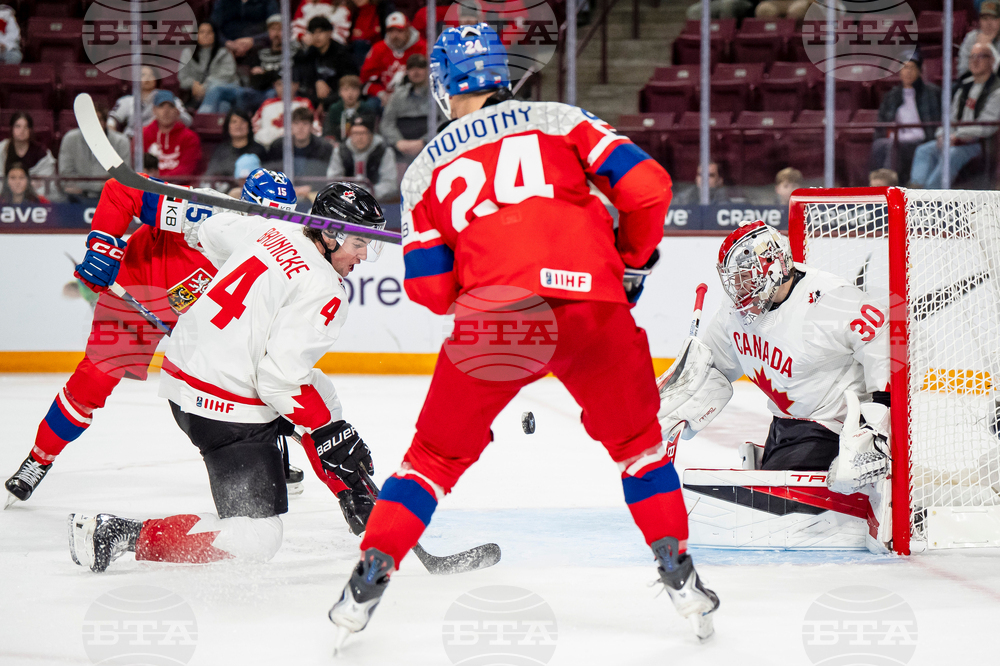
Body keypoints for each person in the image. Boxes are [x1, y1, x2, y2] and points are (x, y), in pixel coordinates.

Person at [327, 24, 719, 646]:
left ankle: (369, 575)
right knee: (640, 448)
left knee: (431, 462)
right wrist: (632, 262)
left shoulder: (424, 170)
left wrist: (485, 276)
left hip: (496, 319)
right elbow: (648, 188)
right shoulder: (560, 118)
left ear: (445, 85)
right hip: (592, 307)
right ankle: (678, 569)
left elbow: (430, 291)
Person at [67, 182, 388, 572]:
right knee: (258, 537)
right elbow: (277, 380)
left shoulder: (274, 228)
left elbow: (210, 231)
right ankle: (118, 533)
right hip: (224, 410)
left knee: (320, 391)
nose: (364, 254)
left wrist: (325, 428)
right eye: (359, 242)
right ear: (331, 235)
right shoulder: (326, 291)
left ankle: (353, 496)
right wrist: (327, 432)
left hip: (184, 376)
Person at [3, 170, 288, 508]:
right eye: (265, 218)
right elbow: (121, 188)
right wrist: (103, 247)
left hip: (196, 320)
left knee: (251, 381)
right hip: (136, 295)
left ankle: (268, 457)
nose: (271, 230)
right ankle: (39, 458)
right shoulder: (201, 210)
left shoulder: (282, 252)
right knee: (94, 380)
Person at [657, 221, 891, 548]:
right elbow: (713, 366)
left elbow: (886, 343)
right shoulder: (735, 311)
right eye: (734, 280)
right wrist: (672, 402)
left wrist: (877, 429)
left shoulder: (830, 300)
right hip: (783, 426)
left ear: (773, 266)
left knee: (763, 522)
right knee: (762, 507)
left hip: (832, 428)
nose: (738, 290)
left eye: (746, 277)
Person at [909, 42, 1000, 188]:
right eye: (972, 57)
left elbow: (987, 126)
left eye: (981, 56)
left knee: (951, 154)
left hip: (979, 144)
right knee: (924, 150)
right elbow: (950, 118)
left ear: (992, 61)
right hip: (953, 140)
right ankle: (915, 190)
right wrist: (942, 135)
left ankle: (931, 194)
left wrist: (956, 137)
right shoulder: (963, 88)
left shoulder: (997, 90)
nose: (975, 61)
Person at [870, 54, 940, 185]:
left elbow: (937, 119)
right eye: (904, 68)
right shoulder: (892, 95)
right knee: (879, 144)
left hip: (921, 139)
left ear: (919, 71)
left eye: (912, 68)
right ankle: (877, 183)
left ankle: (887, 185)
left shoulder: (931, 93)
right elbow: (881, 122)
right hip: (897, 138)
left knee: (893, 147)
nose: (908, 71)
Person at [59, 106, 131, 199]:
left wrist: (83, 186)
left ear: (105, 122)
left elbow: (122, 179)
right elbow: (66, 177)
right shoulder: (70, 139)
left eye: (97, 120)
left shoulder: (121, 142)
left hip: (110, 197)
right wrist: (99, 186)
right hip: (75, 198)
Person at [359, 11, 427, 106]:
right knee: (370, 105)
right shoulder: (378, 49)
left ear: (408, 30)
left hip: (415, 95)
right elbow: (366, 79)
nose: (395, 35)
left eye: (399, 31)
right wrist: (382, 94)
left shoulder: (422, 48)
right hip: (385, 97)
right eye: (391, 31)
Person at [325, 113, 397, 201]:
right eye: (355, 133)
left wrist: (365, 195)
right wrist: (347, 195)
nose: (359, 138)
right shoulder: (340, 151)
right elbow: (332, 180)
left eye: (363, 133)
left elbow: (390, 183)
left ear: (371, 134)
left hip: (378, 201)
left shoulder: (384, 151)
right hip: (346, 201)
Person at [108, 66, 193, 137]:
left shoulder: (170, 99)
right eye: (143, 75)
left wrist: (174, 113)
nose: (147, 78)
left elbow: (188, 121)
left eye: (151, 75)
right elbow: (111, 120)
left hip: (159, 140)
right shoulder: (126, 101)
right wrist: (114, 136)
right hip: (132, 139)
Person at [266, 107, 333, 194]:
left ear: (311, 126)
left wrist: (311, 187)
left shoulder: (324, 148)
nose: (300, 128)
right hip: (282, 193)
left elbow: (327, 176)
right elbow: (271, 174)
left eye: (305, 124)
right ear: (290, 125)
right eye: (296, 123)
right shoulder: (277, 146)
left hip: (313, 193)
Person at [298, 15, 359, 111]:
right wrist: (317, 81)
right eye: (313, 32)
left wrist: (326, 93)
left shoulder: (341, 53)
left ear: (330, 33)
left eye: (320, 32)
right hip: (315, 95)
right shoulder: (310, 52)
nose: (317, 36)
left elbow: (349, 79)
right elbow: (304, 74)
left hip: (337, 94)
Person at [178, 22, 241, 114]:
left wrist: (205, 86)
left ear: (215, 35)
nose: (205, 35)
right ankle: (211, 121)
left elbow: (227, 75)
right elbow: (182, 78)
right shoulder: (187, 53)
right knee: (224, 105)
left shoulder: (224, 52)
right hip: (201, 94)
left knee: (215, 89)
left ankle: (203, 115)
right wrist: (194, 84)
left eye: (209, 32)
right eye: (202, 32)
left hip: (227, 88)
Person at [380, 54, 430, 166]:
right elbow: (387, 124)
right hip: (399, 151)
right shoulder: (397, 96)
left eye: (420, 67)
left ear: (428, 70)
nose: (416, 71)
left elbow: (442, 123)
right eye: (412, 68)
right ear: (407, 72)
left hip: (430, 148)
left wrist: (424, 141)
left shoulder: (437, 96)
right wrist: (398, 142)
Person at [143, 91, 204, 178]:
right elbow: (138, 166)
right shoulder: (144, 134)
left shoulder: (190, 137)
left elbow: (187, 169)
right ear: (154, 110)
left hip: (177, 185)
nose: (166, 111)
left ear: (177, 111)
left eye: (171, 106)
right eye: (161, 106)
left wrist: (160, 179)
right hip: (149, 184)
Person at [204, 110, 268, 191]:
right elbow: (212, 174)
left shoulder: (259, 150)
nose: (238, 125)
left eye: (243, 121)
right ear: (228, 126)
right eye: (234, 122)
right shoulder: (221, 150)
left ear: (249, 125)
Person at [251, 74, 318, 149]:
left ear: (296, 85)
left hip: (299, 147)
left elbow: (316, 128)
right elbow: (256, 131)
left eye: (288, 83)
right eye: (279, 84)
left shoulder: (305, 103)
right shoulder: (266, 105)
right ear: (274, 86)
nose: (284, 87)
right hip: (270, 148)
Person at [0, 112, 57, 199]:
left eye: (26, 127)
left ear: (30, 130)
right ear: (11, 129)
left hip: (36, 198)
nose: (22, 130)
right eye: (18, 126)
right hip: (6, 197)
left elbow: (48, 183)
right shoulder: (2, 149)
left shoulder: (42, 153)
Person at [211, 0, 280, 60]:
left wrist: (253, 40)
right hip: (227, 51)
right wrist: (226, 43)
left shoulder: (268, 1)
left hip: (260, 49)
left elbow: (278, 28)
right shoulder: (222, 2)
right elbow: (212, 27)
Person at [322, 74, 379, 142]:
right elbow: (328, 131)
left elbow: (372, 131)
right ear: (340, 92)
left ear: (359, 91)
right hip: (339, 143)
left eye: (354, 89)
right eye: (346, 89)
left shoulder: (366, 108)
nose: (350, 93)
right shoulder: (334, 109)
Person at [959, 2, 1000, 79]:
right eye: (985, 19)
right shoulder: (971, 38)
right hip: (973, 83)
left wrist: (988, 47)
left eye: (993, 18)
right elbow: (963, 72)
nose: (989, 23)